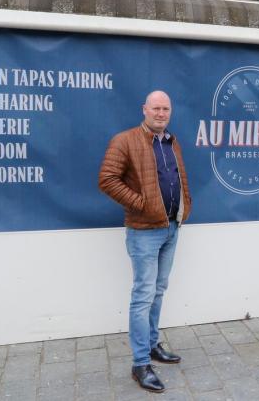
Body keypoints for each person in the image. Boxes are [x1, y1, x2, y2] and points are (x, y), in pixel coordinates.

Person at [99, 90, 192, 393]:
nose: (161, 113)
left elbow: (178, 177)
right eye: (156, 108)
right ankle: (140, 363)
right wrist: (141, 203)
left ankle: (152, 345)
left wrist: (185, 205)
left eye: (166, 108)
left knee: (158, 291)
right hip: (143, 232)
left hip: (171, 228)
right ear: (144, 110)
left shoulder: (171, 141)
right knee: (143, 296)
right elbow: (107, 179)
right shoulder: (124, 141)